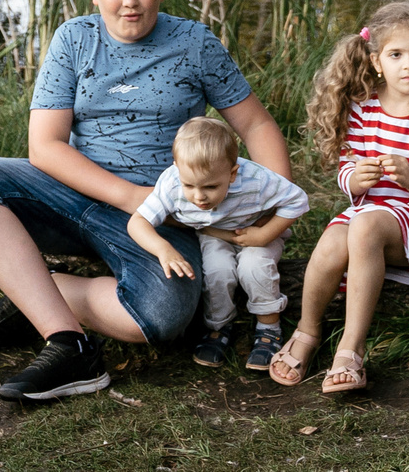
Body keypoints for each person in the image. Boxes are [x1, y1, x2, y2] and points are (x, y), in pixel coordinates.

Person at [0, 0, 291, 404]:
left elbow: (257, 126)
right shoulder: (74, 40)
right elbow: (44, 147)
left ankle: (41, 292)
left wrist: (272, 209)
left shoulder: (194, 43)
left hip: (162, 211)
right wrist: (125, 196)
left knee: (163, 317)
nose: (131, 2)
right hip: (73, 192)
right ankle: (69, 345)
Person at [271, 0, 409, 396]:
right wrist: (356, 179)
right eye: (396, 55)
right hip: (367, 215)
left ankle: (350, 350)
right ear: (376, 62)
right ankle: (307, 331)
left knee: (364, 226)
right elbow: (347, 174)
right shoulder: (364, 109)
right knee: (330, 242)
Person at [125, 115, 310, 370]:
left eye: (211, 187)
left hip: (256, 231)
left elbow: (298, 200)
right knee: (216, 270)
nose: (199, 196)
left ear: (232, 174)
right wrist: (163, 250)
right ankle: (219, 326)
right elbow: (138, 222)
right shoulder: (171, 183)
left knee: (254, 266)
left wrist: (265, 234)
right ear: (177, 168)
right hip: (213, 234)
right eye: (189, 185)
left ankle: (269, 327)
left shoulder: (256, 180)